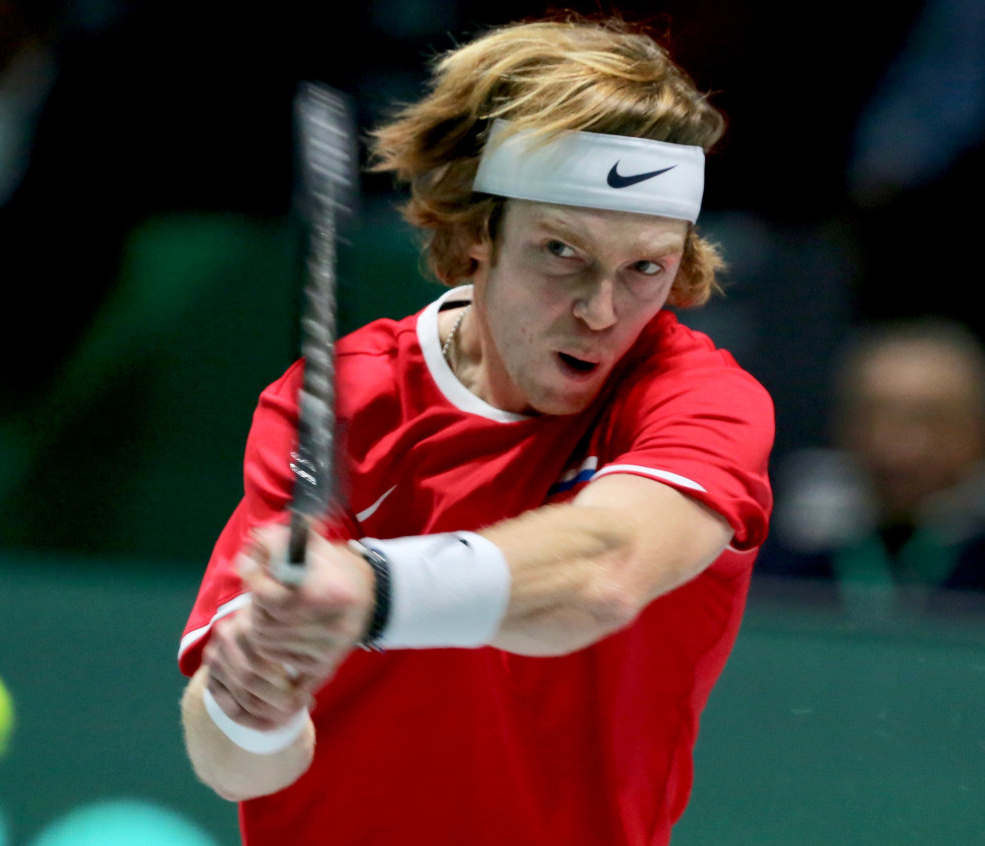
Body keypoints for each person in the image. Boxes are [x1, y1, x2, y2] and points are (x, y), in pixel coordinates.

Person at [177, 17, 773, 846]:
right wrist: (254, 700)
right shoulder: (343, 400)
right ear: (475, 235)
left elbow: (604, 571)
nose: (601, 311)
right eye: (561, 251)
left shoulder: (701, 400)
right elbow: (236, 768)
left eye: (645, 267)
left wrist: (369, 591)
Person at [763, 319, 985, 620]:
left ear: (976, 431)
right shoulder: (789, 551)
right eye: (872, 417)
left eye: (930, 421)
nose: (897, 448)